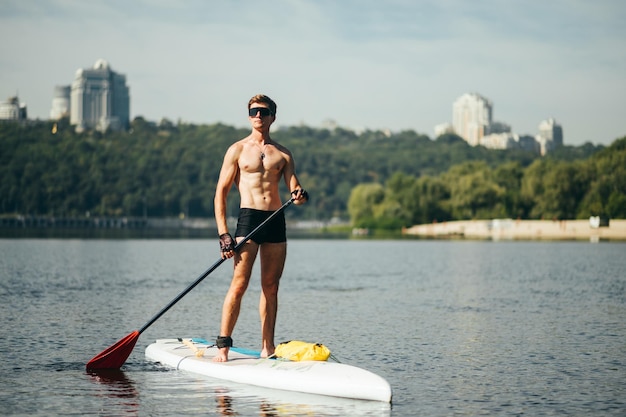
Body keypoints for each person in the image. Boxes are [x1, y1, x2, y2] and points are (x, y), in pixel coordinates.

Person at [213, 94, 308, 362]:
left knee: (271, 287)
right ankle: (223, 347)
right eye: (254, 111)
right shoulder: (237, 150)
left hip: (275, 219)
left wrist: (300, 195)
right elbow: (220, 193)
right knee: (239, 284)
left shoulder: (284, 154)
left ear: (272, 118)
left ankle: (268, 347)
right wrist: (223, 234)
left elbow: (295, 190)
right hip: (249, 219)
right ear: (248, 116)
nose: (258, 116)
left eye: (264, 112)